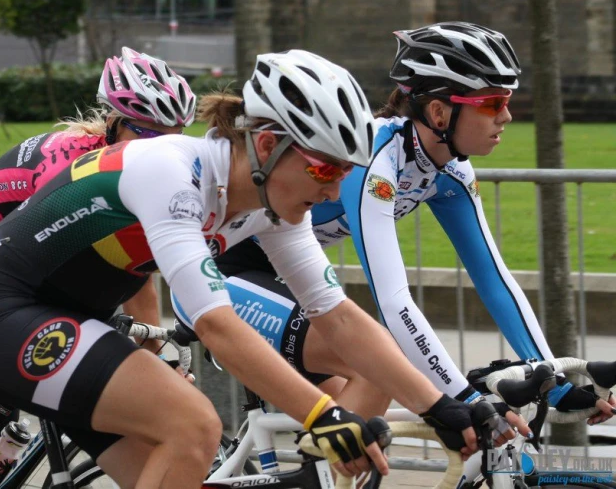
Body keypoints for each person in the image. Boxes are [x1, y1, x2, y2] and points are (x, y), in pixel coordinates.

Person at [0, 50, 483, 489]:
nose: (334, 189)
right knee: (194, 424)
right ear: (268, 144)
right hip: (1, 310)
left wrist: (446, 406)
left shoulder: (269, 209)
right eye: (324, 167)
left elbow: (337, 315)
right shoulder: (172, 172)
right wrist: (322, 415)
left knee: (181, 467)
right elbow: (215, 325)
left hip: (75, 317)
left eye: (345, 171)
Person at [202, 22, 616, 426]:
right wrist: (463, 398)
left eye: (506, 100)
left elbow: (493, 279)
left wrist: (552, 380)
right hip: (226, 275)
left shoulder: (450, 172)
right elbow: (394, 300)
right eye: (492, 103)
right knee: (379, 369)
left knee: (368, 399)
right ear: (439, 112)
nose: (506, 116)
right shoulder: (375, 163)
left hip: (283, 276)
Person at [0, 47, 196, 488]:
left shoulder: (137, 169)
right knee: (22, 329)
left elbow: (132, 267)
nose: (159, 149)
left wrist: (152, 346)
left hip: (6, 241)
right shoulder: (75, 164)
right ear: (113, 122)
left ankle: (3, 445)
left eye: (172, 136)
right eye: (145, 133)